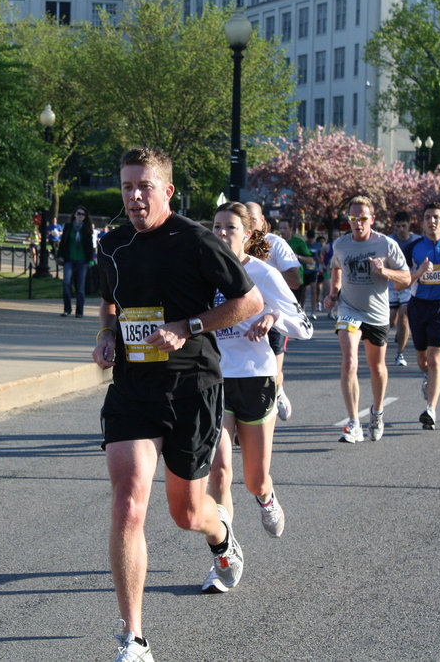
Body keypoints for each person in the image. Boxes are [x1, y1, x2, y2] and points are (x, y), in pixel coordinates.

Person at [92, 148, 262, 662]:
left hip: (190, 388)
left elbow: (248, 301)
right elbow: (110, 301)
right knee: (128, 502)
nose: (134, 196)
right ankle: (133, 636)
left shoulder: (195, 240)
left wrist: (188, 327)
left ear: (167, 190)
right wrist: (104, 333)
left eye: (144, 186)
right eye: (126, 187)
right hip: (132, 389)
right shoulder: (113, 243)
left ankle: (221, 533)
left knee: (186, 512)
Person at [203, 202, 313, 594]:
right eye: (215, 226)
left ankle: (266, 498)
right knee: (218, 472)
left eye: (230, 227)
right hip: (214, 378)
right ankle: (225, 556)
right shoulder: (204, 270)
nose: (220, 233)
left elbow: (304, 325)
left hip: (256, 378)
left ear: (248, 233)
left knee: (253, 478)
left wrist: (272, 318)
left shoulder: (263, 273)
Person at [324, 196, 410, 443]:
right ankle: (353, 423)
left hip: (377, 313)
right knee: (350, 361)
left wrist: (384, 271)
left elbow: (405, 279)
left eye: (362, 219)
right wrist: (333, 293)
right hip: (349, 309)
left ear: (371, 220)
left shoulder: (386, 244)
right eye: (353, 219)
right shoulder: (341, 245)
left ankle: (377, 411)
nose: (357, 223)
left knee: (377, 367)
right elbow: (336, 267)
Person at [398, 203, 440, 430]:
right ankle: (428, 380)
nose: (432, 221)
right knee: (422, 360)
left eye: (436, 217)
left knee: (435, 359)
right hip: (418, 306)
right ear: (423, 222)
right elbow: (403, 282)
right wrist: (418, 273)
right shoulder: (414, 248)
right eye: (427, 217)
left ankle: (431, 409)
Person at [247, 202, 299, 420]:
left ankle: (278, 390)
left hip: (273, 315)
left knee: (273, 371)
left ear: (263, 222)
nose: (249, 224)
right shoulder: (231, 244)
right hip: (243, 315)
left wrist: (268, 276)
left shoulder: (276, 244)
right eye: (244, 219)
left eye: (253, 219)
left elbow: (295, 280)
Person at [388, 211, 422, 366]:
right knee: (391, 321)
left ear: (409, 225)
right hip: (391, 285)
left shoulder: (417, 241)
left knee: (404, 318)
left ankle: (399, 354)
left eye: (403, 226)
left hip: (408, 285)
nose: (400, 229)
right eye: (397, 226)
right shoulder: (389, 241)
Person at [58, 207, 94, 318]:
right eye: (79, 213)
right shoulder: (68, 227)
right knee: (66, 283)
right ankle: (67, 309)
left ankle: (79, 311)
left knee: (80, 287)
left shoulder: (87, 229)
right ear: (74, 215)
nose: (81, 216)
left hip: (82, 261)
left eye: (83, 214)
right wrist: (60, 256)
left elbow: (90, 246)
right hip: (69, 260)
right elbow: (63, 242)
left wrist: (91, 261)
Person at [278, 218, 315, 307]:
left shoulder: (299, 242)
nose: (282, 231)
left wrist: (298, 257)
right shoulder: (276, 242)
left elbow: (311, 260)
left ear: (290, 228)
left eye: (285, 228)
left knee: (294, 306)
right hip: (280, 280)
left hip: (296, 279)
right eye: (281, 228)